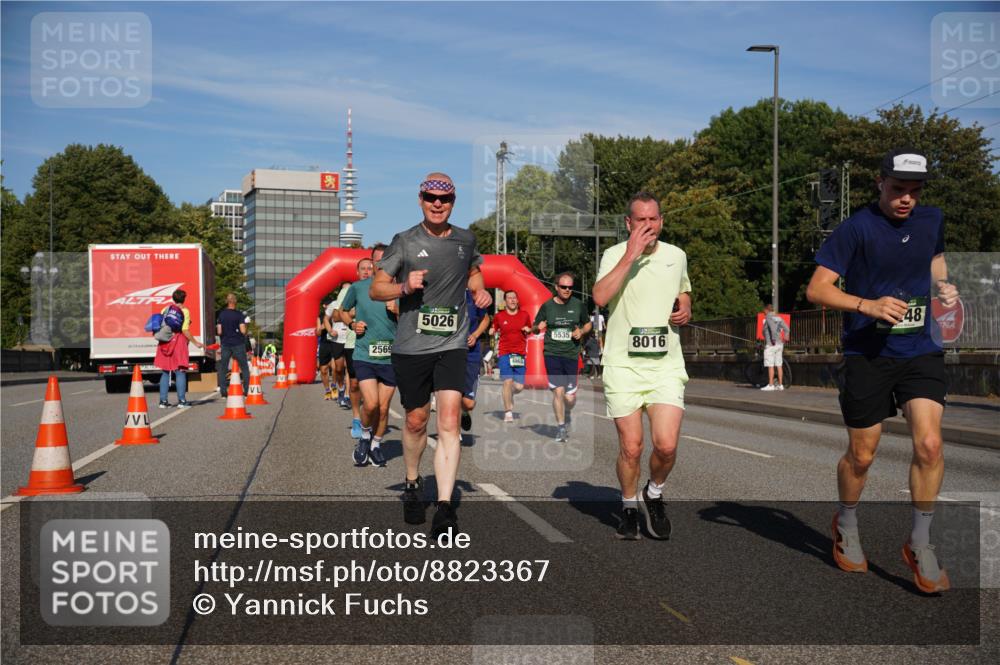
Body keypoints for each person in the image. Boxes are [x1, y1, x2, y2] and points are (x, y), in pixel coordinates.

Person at [806, 148, 959, 593]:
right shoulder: (855, 229)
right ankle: (847, 524)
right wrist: (866, 305)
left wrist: (944, 288)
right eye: (898, 189)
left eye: (914, 191)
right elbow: (817, 288)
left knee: (929, 445)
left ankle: (920, 542)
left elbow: (934, 261)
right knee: (863, 455)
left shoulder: (932, 220)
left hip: (919, 349)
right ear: (880, 183)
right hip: (867, 353)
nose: (906, 199)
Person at [371, 172, 491, 537]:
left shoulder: (466, 239)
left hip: (452, 343)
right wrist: (404, 285)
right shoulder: (405, 242)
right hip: (412, 347)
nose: (437, 204)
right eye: (430, 198)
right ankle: (411, 483)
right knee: (416, 421)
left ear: (453, 202)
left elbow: (473, 274)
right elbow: (377, 287)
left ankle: (443, 507)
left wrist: (481, 290)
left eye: (445, 199)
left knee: (450, 419)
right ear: (420, 199)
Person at [593, 192, 692, 540]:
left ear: (661, 221)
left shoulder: (676, 256)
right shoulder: (613, 255)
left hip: (665, 364)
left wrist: (685, 308)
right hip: (623, 365)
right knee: (631, 446)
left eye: (653, 220)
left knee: (665, 445)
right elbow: (600, 297)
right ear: (628, 224)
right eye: (640, 220)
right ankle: (629, 506)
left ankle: (654, 492)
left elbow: (683, 292)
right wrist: (631, 254)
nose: (648, 226)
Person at [340, 249, 398, 468]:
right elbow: (343, 312)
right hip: (364, 353)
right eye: (378, 260)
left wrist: (398, 311)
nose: (382, 263)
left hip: (391, 356)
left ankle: (375, 444)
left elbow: (414, 319)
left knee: (383, 408)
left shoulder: (400, 289)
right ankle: (365, 437)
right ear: (373, 263)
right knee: (371, 404)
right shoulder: (359, 287)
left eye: (386, 259)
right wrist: (352, 324)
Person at [533, 272, 591, 442]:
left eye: (570, 288)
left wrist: (581, 331)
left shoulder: (578, 305)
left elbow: (587, 323)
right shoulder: (547, 307)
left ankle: (567, 410)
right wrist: (539, 327)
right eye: (564, 287)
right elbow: (534, 327)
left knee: (569, 398)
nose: (567, 290)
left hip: (572, 354)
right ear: (556, 287)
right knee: (558, 392)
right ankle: (561, 428)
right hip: (552, 353)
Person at [155, 289, 205, 409]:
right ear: (184, 299)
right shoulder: (185, 311)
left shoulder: (165, 309)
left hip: (165, 341)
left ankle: (163, 401)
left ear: (173, 298)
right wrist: (195, 342)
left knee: (165, 371)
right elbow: (184, 330)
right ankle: (182, 401)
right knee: (180, 371)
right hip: (178, 341)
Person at [490, 289, 532, 422]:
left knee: (519, 387)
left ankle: (509, 393)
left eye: (514, 298)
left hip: (519, 354)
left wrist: (528, 329)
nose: (512, 300)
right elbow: (494, 327)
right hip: (505, 353)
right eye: (509, 298)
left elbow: (530, 329)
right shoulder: (499, 316)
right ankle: (508, 412)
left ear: (517, 300)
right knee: (507, 381)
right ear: (505, 301)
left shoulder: (525, 315)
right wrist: (491, 330)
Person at [461, 289, 491, 434]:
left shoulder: (473, 296)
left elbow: (486, 319)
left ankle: (464, 412)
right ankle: (453, 432)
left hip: (471, 355)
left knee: (468, 403)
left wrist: (475, 334)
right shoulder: (445, 292)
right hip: (449, 353)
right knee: (450, 396)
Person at [216, 293, 250, 398]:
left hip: (226, 343)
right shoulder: (240, 315)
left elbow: (219, 331)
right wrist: (246, 325)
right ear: (235, 302)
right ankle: (246, 391)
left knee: (223, 368)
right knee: (244, 367)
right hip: (238, 343)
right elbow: (243, 331)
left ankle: (223, 392)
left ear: (227, 301)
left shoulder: (221, 314)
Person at [760, 303, 790, 391]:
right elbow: (786, 328)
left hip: (771, 344)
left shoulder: (769, 317)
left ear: (766, 310)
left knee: (770, 365)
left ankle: (771, 385)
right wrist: (786, 335)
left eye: (764, 311)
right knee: (779, 364)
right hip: (780, 344)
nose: (763, 313)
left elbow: (772, 329)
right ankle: (780, 385)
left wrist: (773, 339)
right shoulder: (778, 317)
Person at [318, 299, 338, 400]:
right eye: (328, 305)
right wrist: (322, 327)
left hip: (335, 342)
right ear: (324, 306)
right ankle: (327, 390)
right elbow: (317, 333)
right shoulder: (320, 317)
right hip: (324, 344)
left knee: (335, 368)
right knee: (323, 370)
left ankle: (334, 386)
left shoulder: (335, 314)